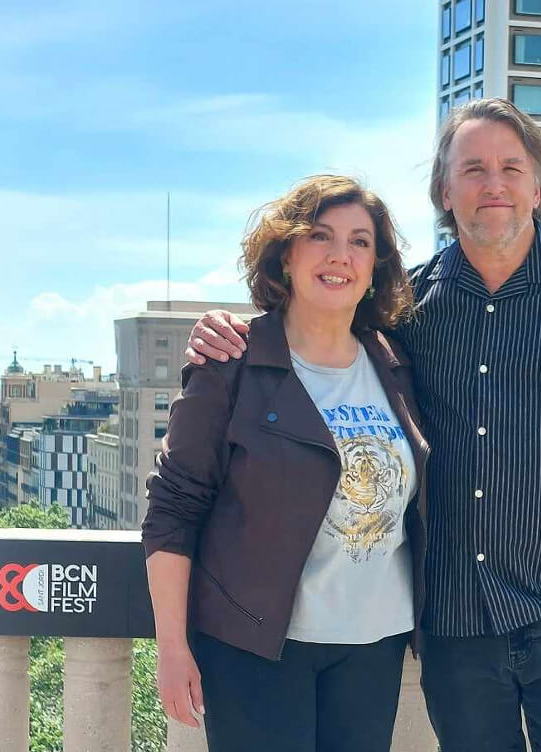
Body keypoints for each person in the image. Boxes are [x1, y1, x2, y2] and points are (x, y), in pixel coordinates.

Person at [184, 98, 541, 752]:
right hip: (457, 624)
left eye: (510, 167)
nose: (492, 184)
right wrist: (231, 330)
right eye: (472, 169)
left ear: (539, 185)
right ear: (445, 190)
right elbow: (317, 333)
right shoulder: (407, 306)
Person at [141, 174, 428, 752]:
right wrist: (171, 646)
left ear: (376, 266)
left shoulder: (396, 362)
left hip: (373, 646)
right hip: (256, 648)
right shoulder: (233, 361)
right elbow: (172, 509)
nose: (339, 256)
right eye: (320, 236)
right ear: (287, 253)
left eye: (359, 242)